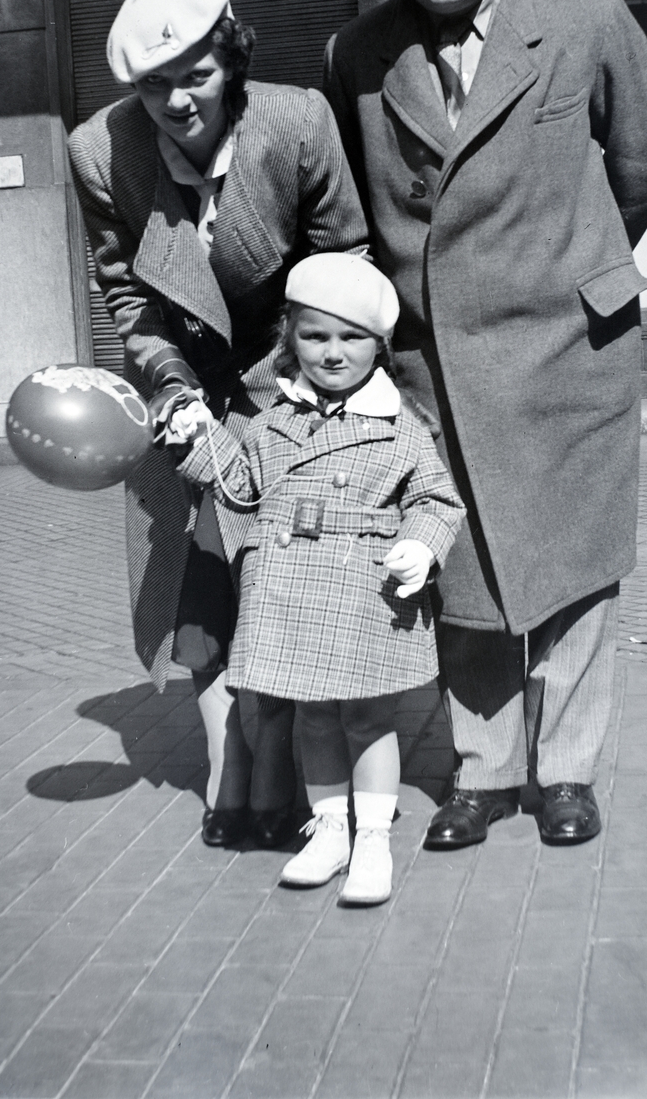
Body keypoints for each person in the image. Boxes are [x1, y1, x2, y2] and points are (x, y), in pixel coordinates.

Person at [324, 0, 647, 851]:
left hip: (572, 347)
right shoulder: (357, 54)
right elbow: (349, 205)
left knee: (571, 565)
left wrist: (577, 259)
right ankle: (482, 770)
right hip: (434, 363)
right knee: (458, 564)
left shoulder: (583, 18)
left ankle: (564, 772)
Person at [68, 0, 368, 849]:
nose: (175, 101)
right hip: (187, 400)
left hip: (297, 386)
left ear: (230, 59)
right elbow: (128, 296)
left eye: (193, 75)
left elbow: (343, 261)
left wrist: (291, 389)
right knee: (201, 604)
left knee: (288, 592)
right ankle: (226, 786)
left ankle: (278, 782)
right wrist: (174, 396)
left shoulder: (296, 121)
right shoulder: (100, 152)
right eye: (153, 86)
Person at [177, 253, 464, 904]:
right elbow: (240, 487)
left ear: (379, 345)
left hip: (364, 592)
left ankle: (373, 841)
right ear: (290, 340)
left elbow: (436, 501)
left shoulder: (401, 428)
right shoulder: (272, 423)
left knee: (367, 720)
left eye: (351, 339)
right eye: (314, 336)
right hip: (292, 594)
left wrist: (421, 546)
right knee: (312, 719)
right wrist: (197, 439)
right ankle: (331, 829)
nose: (333, 354)